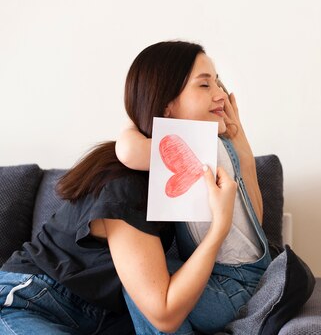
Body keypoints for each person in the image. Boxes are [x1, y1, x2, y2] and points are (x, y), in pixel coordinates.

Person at [0, 40, 272, 334]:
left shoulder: (193, 164)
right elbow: (164, 314)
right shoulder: (125, 186)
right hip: (32, 299)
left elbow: (254, 224)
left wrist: (241, 144)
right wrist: (218, 229)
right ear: (166, 105)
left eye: (218, 82)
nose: (221, 95)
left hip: (101, 314)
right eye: (204, 85)